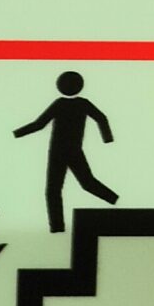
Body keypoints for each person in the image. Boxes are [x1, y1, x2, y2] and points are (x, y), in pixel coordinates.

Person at [12, 70, 118, 233]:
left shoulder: (60, 104)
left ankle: (57, 226)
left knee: (55, 190)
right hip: (72, 150)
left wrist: (16, 134)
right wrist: (107, 139)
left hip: (58, 151)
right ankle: (114, 200)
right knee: (86, 183)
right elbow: (101, 118)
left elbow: (39, 124)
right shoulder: (82, 104)